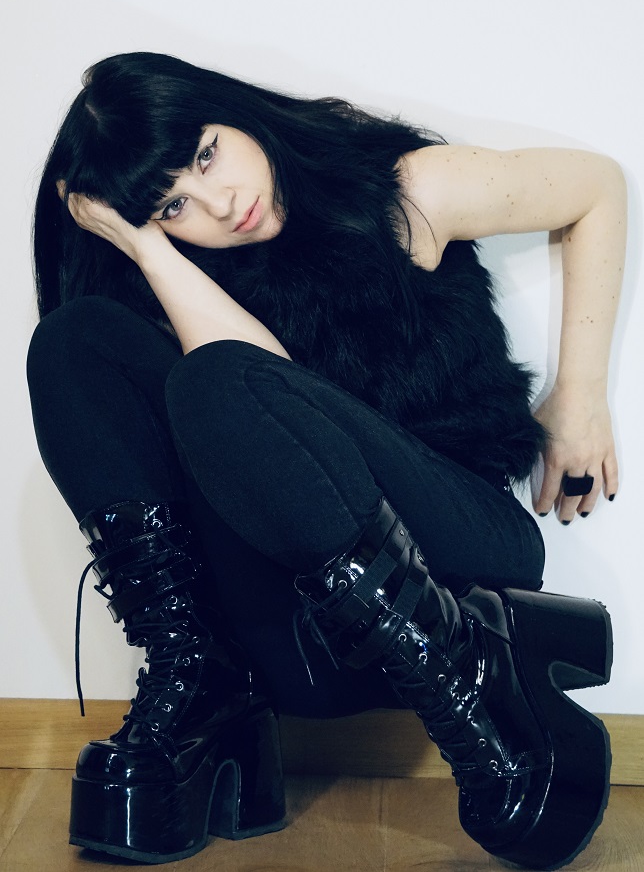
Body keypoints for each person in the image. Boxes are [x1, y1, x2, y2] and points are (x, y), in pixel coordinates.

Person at [27, 52, 625, 869]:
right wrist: (148, 249)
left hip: (462, 553)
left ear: (230, 110)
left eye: (206, 155)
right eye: (173, 204)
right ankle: (203, 688)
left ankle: (473, 670)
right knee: (74, 340)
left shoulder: (403, 190)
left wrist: (579, 395)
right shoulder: (183, 279)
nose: (220, 202)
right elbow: (258, 394)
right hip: (304, 633)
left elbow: (597, 187)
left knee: (218, 380)